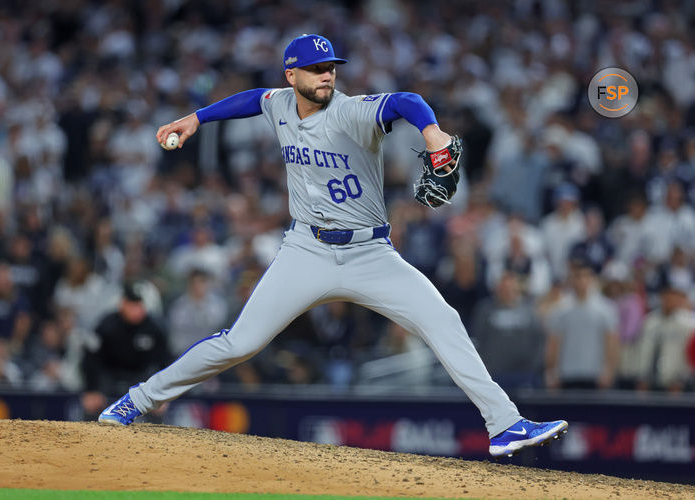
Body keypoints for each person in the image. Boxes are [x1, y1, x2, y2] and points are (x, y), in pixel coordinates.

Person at [98, 34, 567, 458]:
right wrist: (197, 118)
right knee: (240, 343)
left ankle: (504, 424)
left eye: (331, 68)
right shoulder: (281, 102)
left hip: (371, 254)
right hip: (306, 250)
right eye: (316, 69)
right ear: (292, 75)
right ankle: (137, 400)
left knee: (442, 320)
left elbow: (406, 100)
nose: (327, 75)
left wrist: (432, 132)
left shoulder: (352, 111)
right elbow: (253, 100)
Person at [82, 282, 170, 418]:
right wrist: (91, 389)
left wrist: (162, 393)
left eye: (139, 305)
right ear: (122, 304)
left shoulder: (155, 328)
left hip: (141, 379)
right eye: (132, 305)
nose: (136, 310)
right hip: (109, 378)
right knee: (92, 408)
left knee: (158, 410)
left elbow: (165, 361)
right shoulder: (106, 325)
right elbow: (90, 357)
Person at [544, 258, 619, 390]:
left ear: (592, 278)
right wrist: (551, 371)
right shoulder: (561, 309)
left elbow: (611, 342)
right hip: (566, 375)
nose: (582, 281)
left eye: (586, 276)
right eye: (578, 276)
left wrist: (609, 371)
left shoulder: (606, 309)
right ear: (571, 279)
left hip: (595, 376)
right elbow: (554, 342)